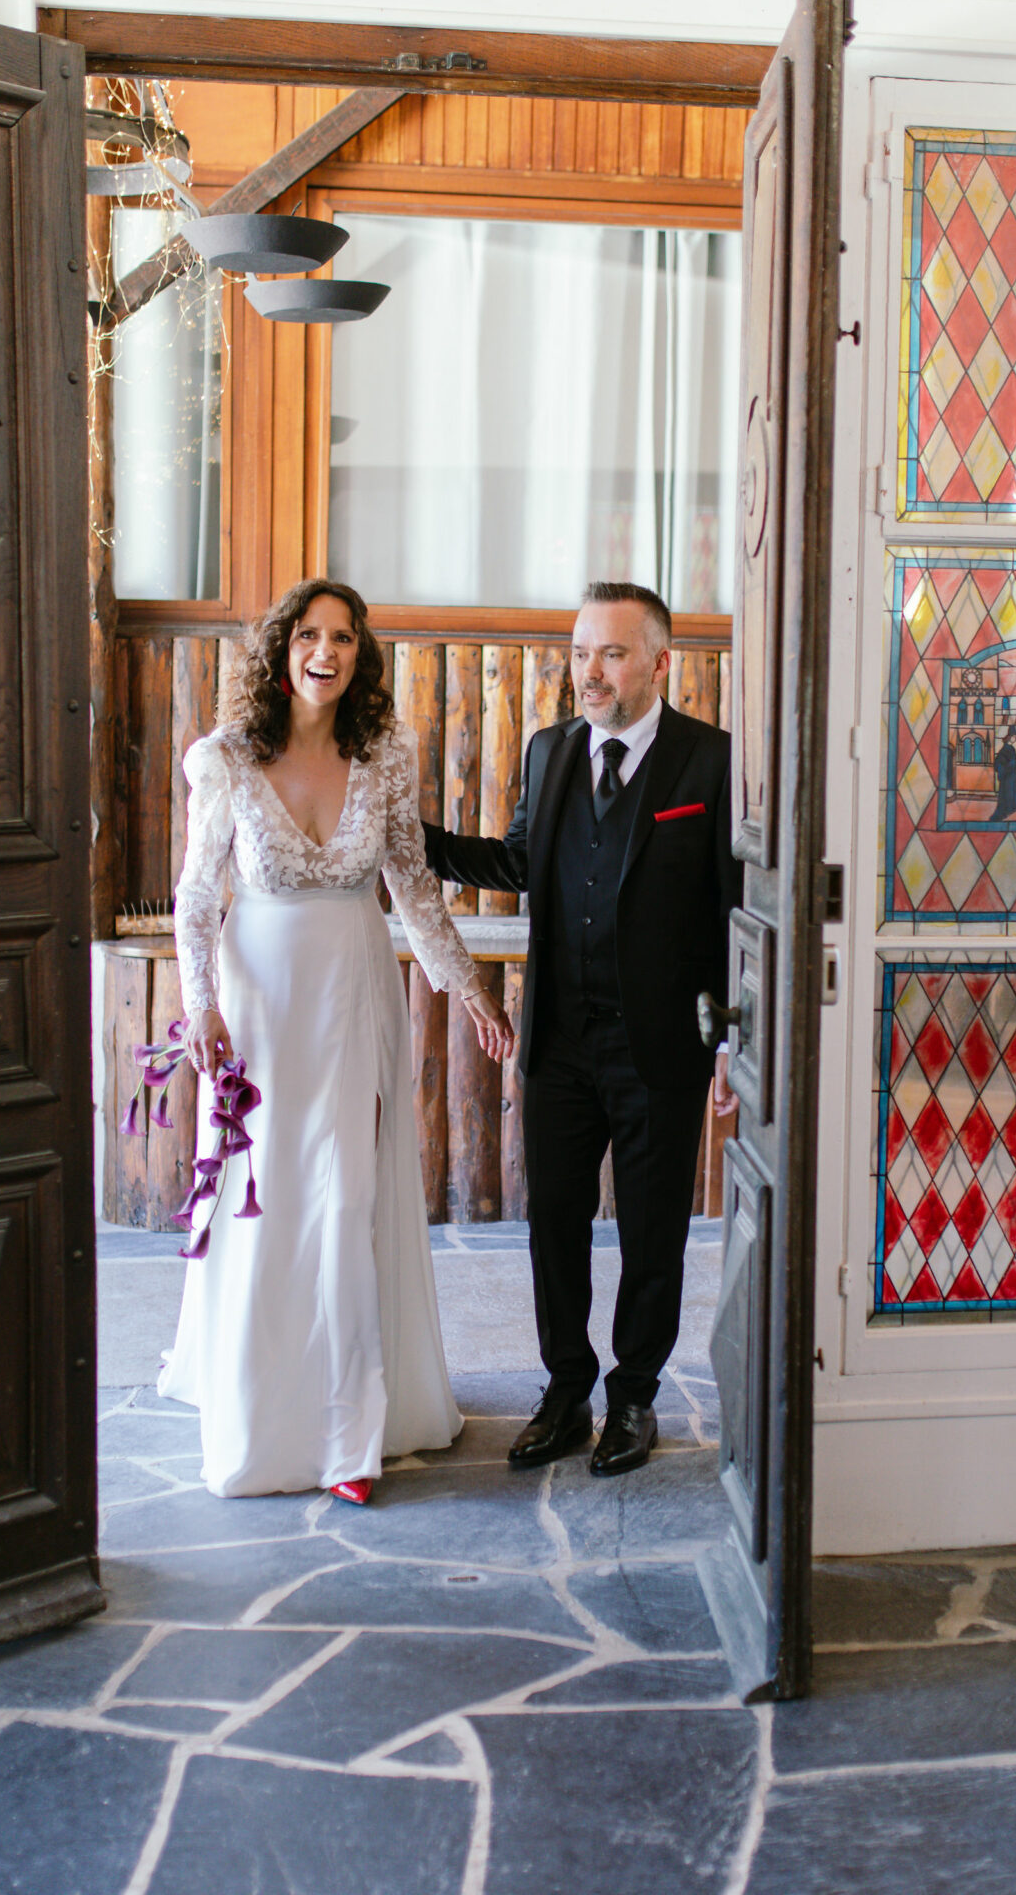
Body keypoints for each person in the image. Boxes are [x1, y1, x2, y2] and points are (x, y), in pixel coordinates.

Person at [159, 581, 514, 1503]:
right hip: (259, 1006)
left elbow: (413, 887)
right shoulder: (225, 759)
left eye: (344, 638)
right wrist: (201, 1006)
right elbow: (196, 897)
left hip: (354, 993)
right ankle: (262, 1412)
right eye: (309, 635)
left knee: (346, 1197)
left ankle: (348, 1434)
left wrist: (468, 988)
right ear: (281, 649)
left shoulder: (384, 756)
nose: (326, 652)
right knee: (268, 1200)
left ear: (360, 654)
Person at [423, 582, 740, 1477]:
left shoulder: (711, 762)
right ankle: (565, 1390)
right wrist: (416, 840)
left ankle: (633, 1395)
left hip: (660, 1047)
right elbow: (521, 860)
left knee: (651, 1233)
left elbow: (732, 909)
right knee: (552, 1224)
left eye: (610, 653)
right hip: (559, 1041)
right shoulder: (551, 749)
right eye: (579, 653)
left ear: (659, 663)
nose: (588, 672)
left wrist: (728, 1038)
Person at [989, 727, 1016, 821]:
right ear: (1009, 737)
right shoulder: (1005, 749)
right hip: (1007, 778)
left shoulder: (1011, 748)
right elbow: (999, 763)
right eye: (1014, 736)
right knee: (1006, 795)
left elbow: (1011, 762)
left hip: (1011, 776)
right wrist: (1015, 764)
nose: (1015, 738)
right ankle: (1001, 814)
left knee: (1011, 794)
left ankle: (1009, 809)